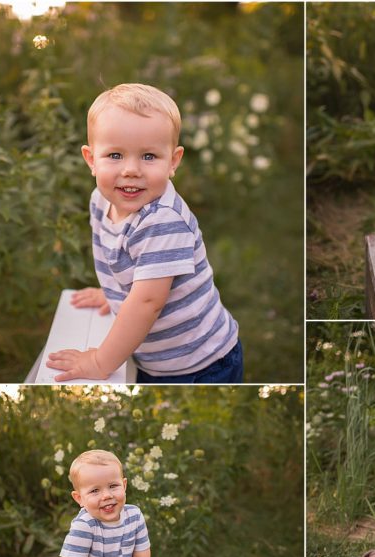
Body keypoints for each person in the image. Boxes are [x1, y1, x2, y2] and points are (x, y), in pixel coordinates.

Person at [47, 83, 241, 383]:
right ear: (91, 159)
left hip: (198, 364)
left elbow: (148, 302)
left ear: (173, 161)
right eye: (115, 155)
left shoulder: (162, 222)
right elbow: (137, 278)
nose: (131, 170)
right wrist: (115, 295)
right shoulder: (101, 200)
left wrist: (100, 362)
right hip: (158, 356)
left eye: (149, 156)